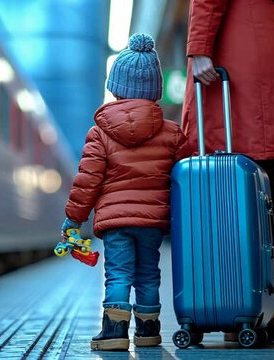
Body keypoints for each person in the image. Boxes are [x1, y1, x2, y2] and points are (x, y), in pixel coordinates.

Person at [182, 0, 274, 342]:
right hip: (273, 64)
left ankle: (236, 301)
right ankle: (271, 299)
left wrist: (199, 49)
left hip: (239, 67)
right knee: (264, 188)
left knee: (230, 191)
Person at [61, 33, 191, 351]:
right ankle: (148, 330)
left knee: (118, 273)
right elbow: (184, 179)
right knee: (148, 272)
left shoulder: (100, 132)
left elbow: (87, 180)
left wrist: (73, 220)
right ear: (155, 88)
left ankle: (115, 331)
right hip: (153, 221)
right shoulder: (173, 134)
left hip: (116, 221)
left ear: (116, 86)